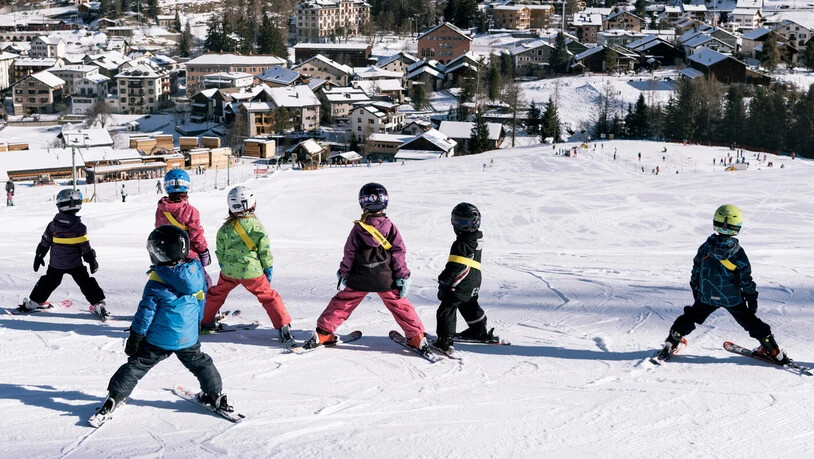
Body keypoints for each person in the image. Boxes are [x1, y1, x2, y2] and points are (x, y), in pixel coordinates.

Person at [93, 225, 231, 421]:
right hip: (188, 337)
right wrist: (198, 323)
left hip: (158, 340)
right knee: (201, 363)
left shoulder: (157, 281)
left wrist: (135, 337)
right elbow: (201, 300)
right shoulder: (196, 272)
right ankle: (215, 395)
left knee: (136, 365)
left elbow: (145, 314)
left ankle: (114, 397)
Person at [656, 205, 791, 363]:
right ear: (738, 226)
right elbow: (745, 279)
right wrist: (751, 299)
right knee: (750, 322)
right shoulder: (738, 253)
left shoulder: (706, 247)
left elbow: (696, 271)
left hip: (706, 296)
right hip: (732, 298)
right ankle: (772, 350)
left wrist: (697, 290)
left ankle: (672, 342)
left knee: (690, 316)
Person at [307, 183, 427, 350]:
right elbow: (399, 253)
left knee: (343, 303)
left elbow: (349, 253)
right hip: (385, 278)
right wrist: (402, 276)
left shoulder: (358, 229)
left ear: (362, 203)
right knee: (399, 305)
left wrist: (343, 273)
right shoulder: (390, 227)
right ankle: (416, 337)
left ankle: (324, 333)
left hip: (360, 276)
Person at [201, 186, 294, 344]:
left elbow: (220, 251)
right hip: (253, 272)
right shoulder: (257, 227)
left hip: (229, 271)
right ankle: (283, 325)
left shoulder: (224, 229)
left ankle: (206, 321)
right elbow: (264, 251)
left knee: (216, 294)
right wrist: (268, 268)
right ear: (253, 204)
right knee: (269, 297)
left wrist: (224, 265)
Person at [20, 189, 106, 316]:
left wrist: (39, 255)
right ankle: (98, 303)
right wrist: (92, 260)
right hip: (75, 264)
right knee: (86, 282)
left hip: (56, 264)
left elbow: (44, 242)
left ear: (60, 205)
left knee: (48, 281)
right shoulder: (80, 228)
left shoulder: (53, 225)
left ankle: (35, 301)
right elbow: (85, 247)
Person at [434, 203, 497, 352]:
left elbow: (456, 266)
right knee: (468, 303)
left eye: (458, 222)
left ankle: (444, 340)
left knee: (447, 308)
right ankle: (479, 331)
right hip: (474, 278)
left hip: (462, 280)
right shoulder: (475, 239)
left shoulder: (461, 243)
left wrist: (444, 281)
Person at [155, 169, 212, 288]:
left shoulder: (160, 210)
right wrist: (203, 251)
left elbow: (158, 231)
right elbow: (196, 235)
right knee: (203, 283)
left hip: (166, 257)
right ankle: (206, 306)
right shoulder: (190, 211)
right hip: (188, 256)